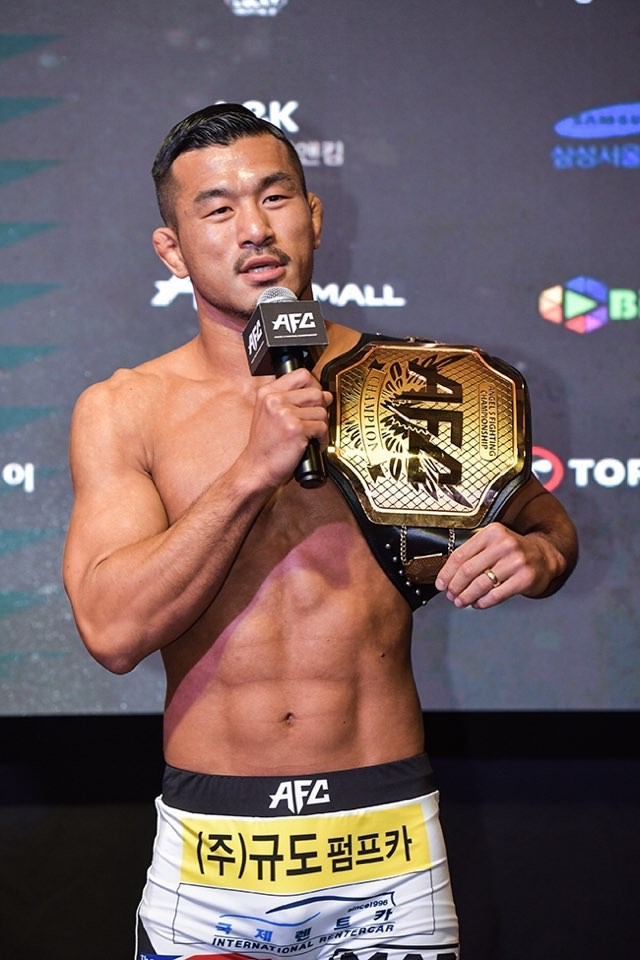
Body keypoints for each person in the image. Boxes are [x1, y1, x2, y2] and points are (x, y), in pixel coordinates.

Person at [63, 103, 578, 960]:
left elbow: (545, 523)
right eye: (218, 209)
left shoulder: (406, 384)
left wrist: (538, 554)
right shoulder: (127, 410)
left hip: (389, 851)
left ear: (314, 215)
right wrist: (250, 471)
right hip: (215, 858)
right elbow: (112, 632)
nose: (254, 229)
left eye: (275, 198)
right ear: (172, 249)